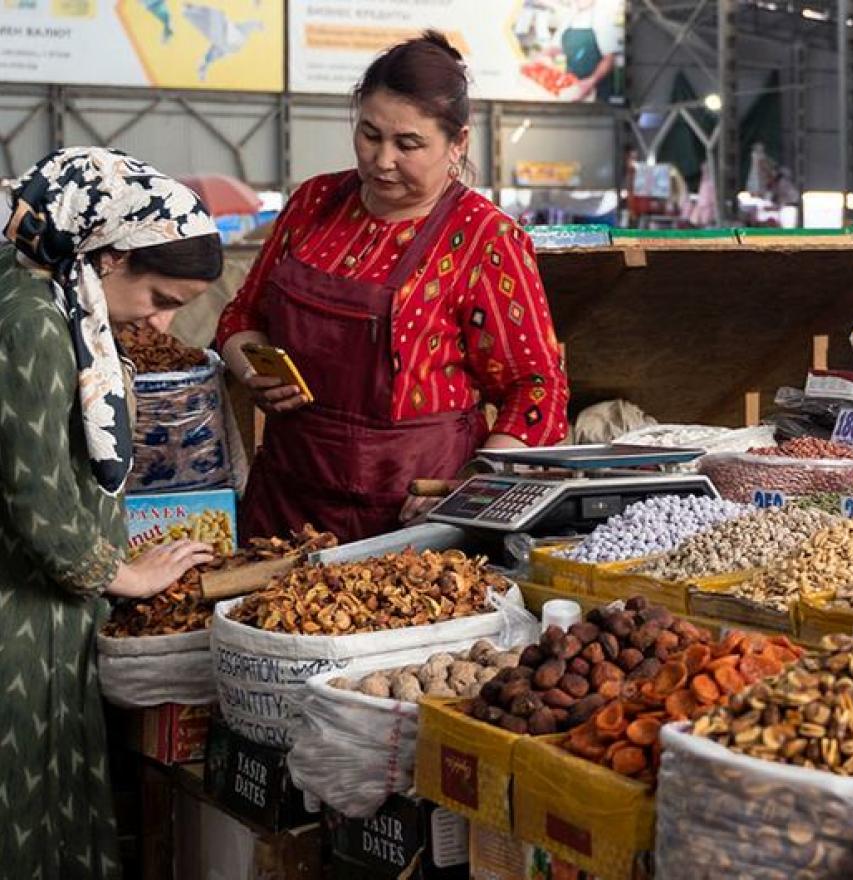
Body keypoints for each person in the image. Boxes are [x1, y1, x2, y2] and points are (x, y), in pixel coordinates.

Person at [218, 31, 570, 544]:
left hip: (412, 518)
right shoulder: (314, 202)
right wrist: (252, 368)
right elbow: (241, 315)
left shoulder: (483, 237)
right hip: (286, 501)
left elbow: (538, 388)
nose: (383, 159)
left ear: (458, 143)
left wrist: (472, 487)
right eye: (369, 134)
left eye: (408, 144)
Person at [0, 146, 222, 879]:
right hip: (22, 614)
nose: (155, 320)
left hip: (51, 610)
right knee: (27, 794)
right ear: (113, 255)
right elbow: (32, 489)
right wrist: (121, 574)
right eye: (160, 299)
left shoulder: (65, 299)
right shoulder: (31, 318)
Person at [554, 0, 623, 101]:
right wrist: (542, 56)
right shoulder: (570, 17)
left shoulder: (604, 17)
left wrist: (592, 80)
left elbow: (610, 58)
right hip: (572, 87)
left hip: (598, 91)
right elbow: (556, 46)